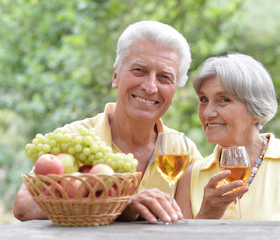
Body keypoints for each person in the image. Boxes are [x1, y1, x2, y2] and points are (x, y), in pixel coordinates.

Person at [13, 20, 203, 224]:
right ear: (115, 77)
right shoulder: (76, 139)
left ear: (174, 90)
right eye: (139, 70)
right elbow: (24, 205)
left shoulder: (182, 152)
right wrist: (119, 205)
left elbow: (197, 220)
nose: (150, 87)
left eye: (165, 78)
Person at [175, 52, 280, 221]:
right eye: (204, 99)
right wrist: (206, 215)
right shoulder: (190, 176)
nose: (208, 113)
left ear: (255, 108)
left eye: (224, 100)